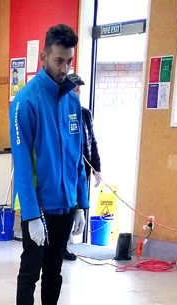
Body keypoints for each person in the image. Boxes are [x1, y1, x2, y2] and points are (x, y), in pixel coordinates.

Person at [9, 23, 88, 305]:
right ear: (44, 56)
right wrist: (30, 215)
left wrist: (82, 204)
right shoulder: (26, 102)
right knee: (32, 268)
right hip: (39, 206)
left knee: (55, 269)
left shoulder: (72, 100)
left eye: (68, 61)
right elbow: (22, 163)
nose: (64, 68)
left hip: (64, 204)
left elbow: (77, 158)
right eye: (58, 60)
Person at [63, 72, 102, 261]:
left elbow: (92, 142)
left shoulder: (85, 114)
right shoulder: (60, 112)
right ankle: (64, 244)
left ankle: (70, 241)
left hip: (82, 169)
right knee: (68, 206)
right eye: (74, 89)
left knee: (79, 205)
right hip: (66, 170)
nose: (77, 93)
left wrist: (97, 168)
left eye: (79, 90)